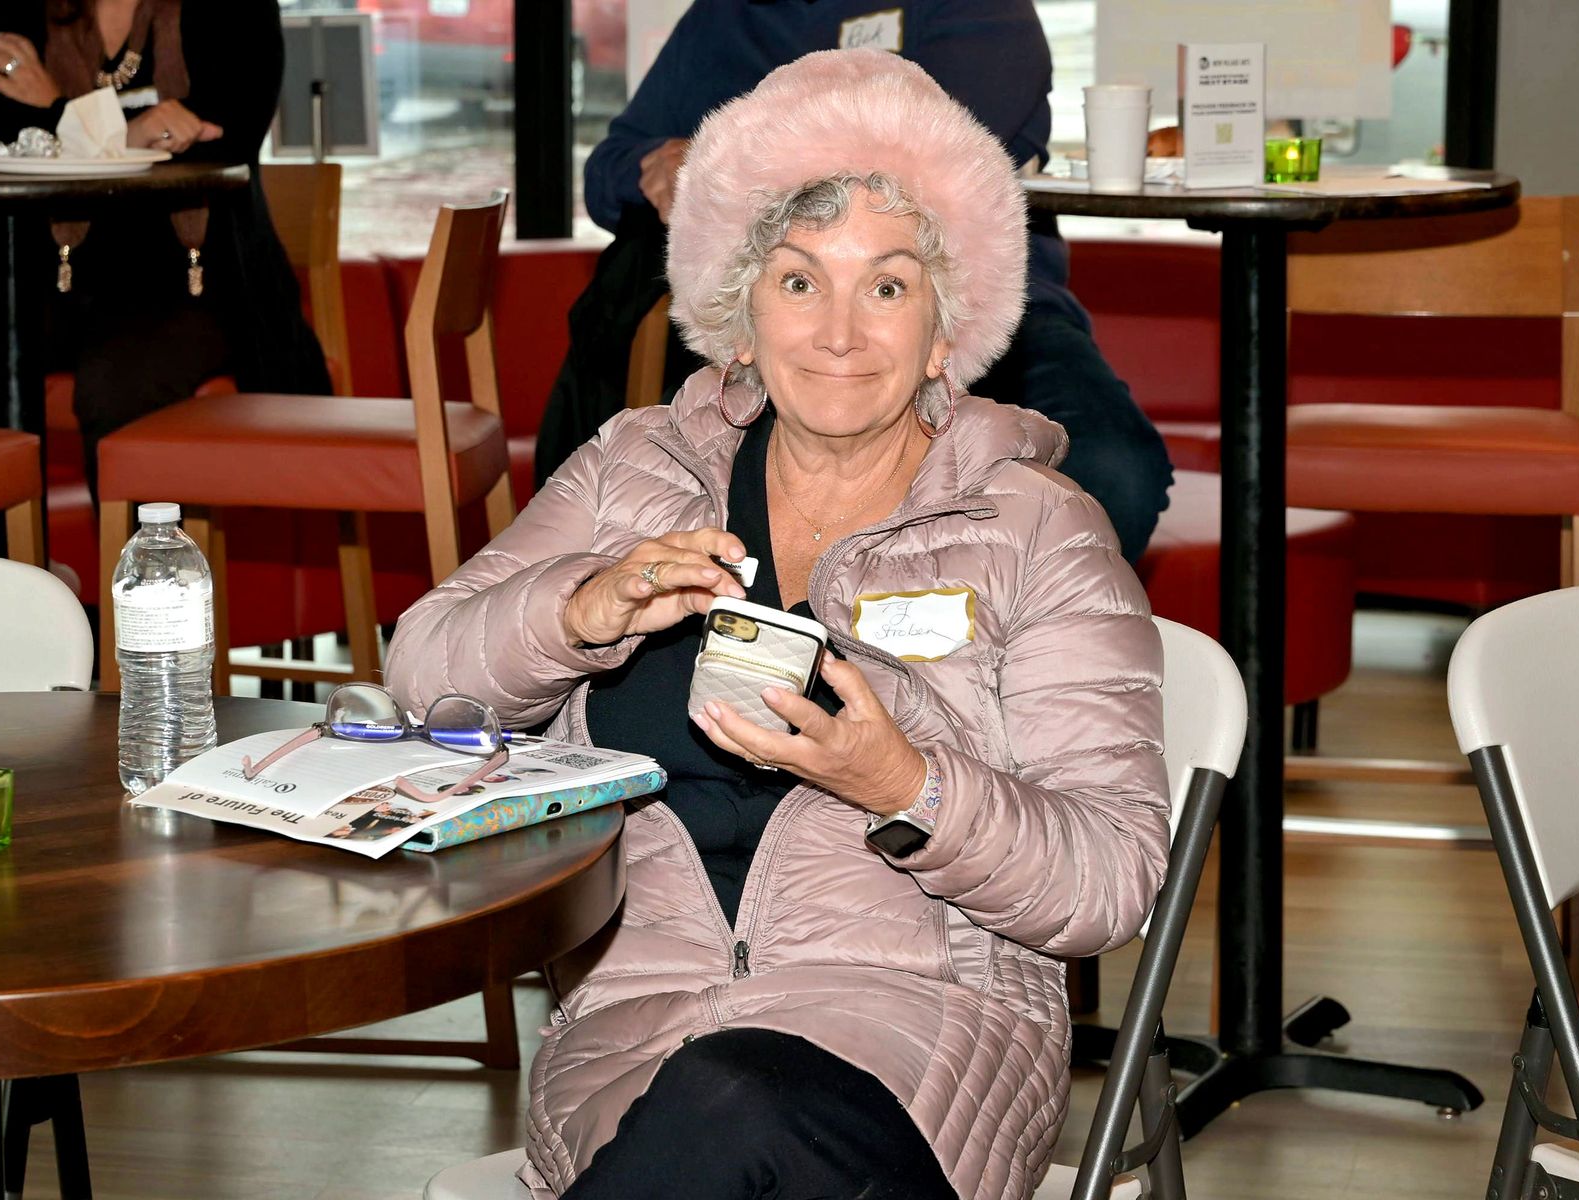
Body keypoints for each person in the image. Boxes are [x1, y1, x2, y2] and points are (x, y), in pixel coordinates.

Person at [387, 51, 1168, 1200]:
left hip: (919, 1040)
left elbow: (1110, 879)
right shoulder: (634, 471)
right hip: (635, 1028)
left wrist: (904, 784)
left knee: (731, 1105)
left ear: (945, 332)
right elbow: (422, 676)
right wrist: (577, 609)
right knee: (702, 1111)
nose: (840, 332)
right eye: (800, 281)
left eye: (888, 287)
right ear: (738, 316)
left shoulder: (1033, 528)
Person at [536, 0, 1173, 562]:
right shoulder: (724, 15)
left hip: (979, 314)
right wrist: (661, 164)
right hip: (776, 316)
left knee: (1115, 473)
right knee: (654, 490)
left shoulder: (976, 10)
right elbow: (607, 170)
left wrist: (730, 164)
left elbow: (927, 161)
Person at [0, 0, 331, 502]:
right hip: (23, 276)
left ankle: (150, 556)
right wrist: (123, 131)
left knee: (122, 386)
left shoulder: (230, 11)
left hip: (185, 286)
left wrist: (57, 113)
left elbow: (225, 134)